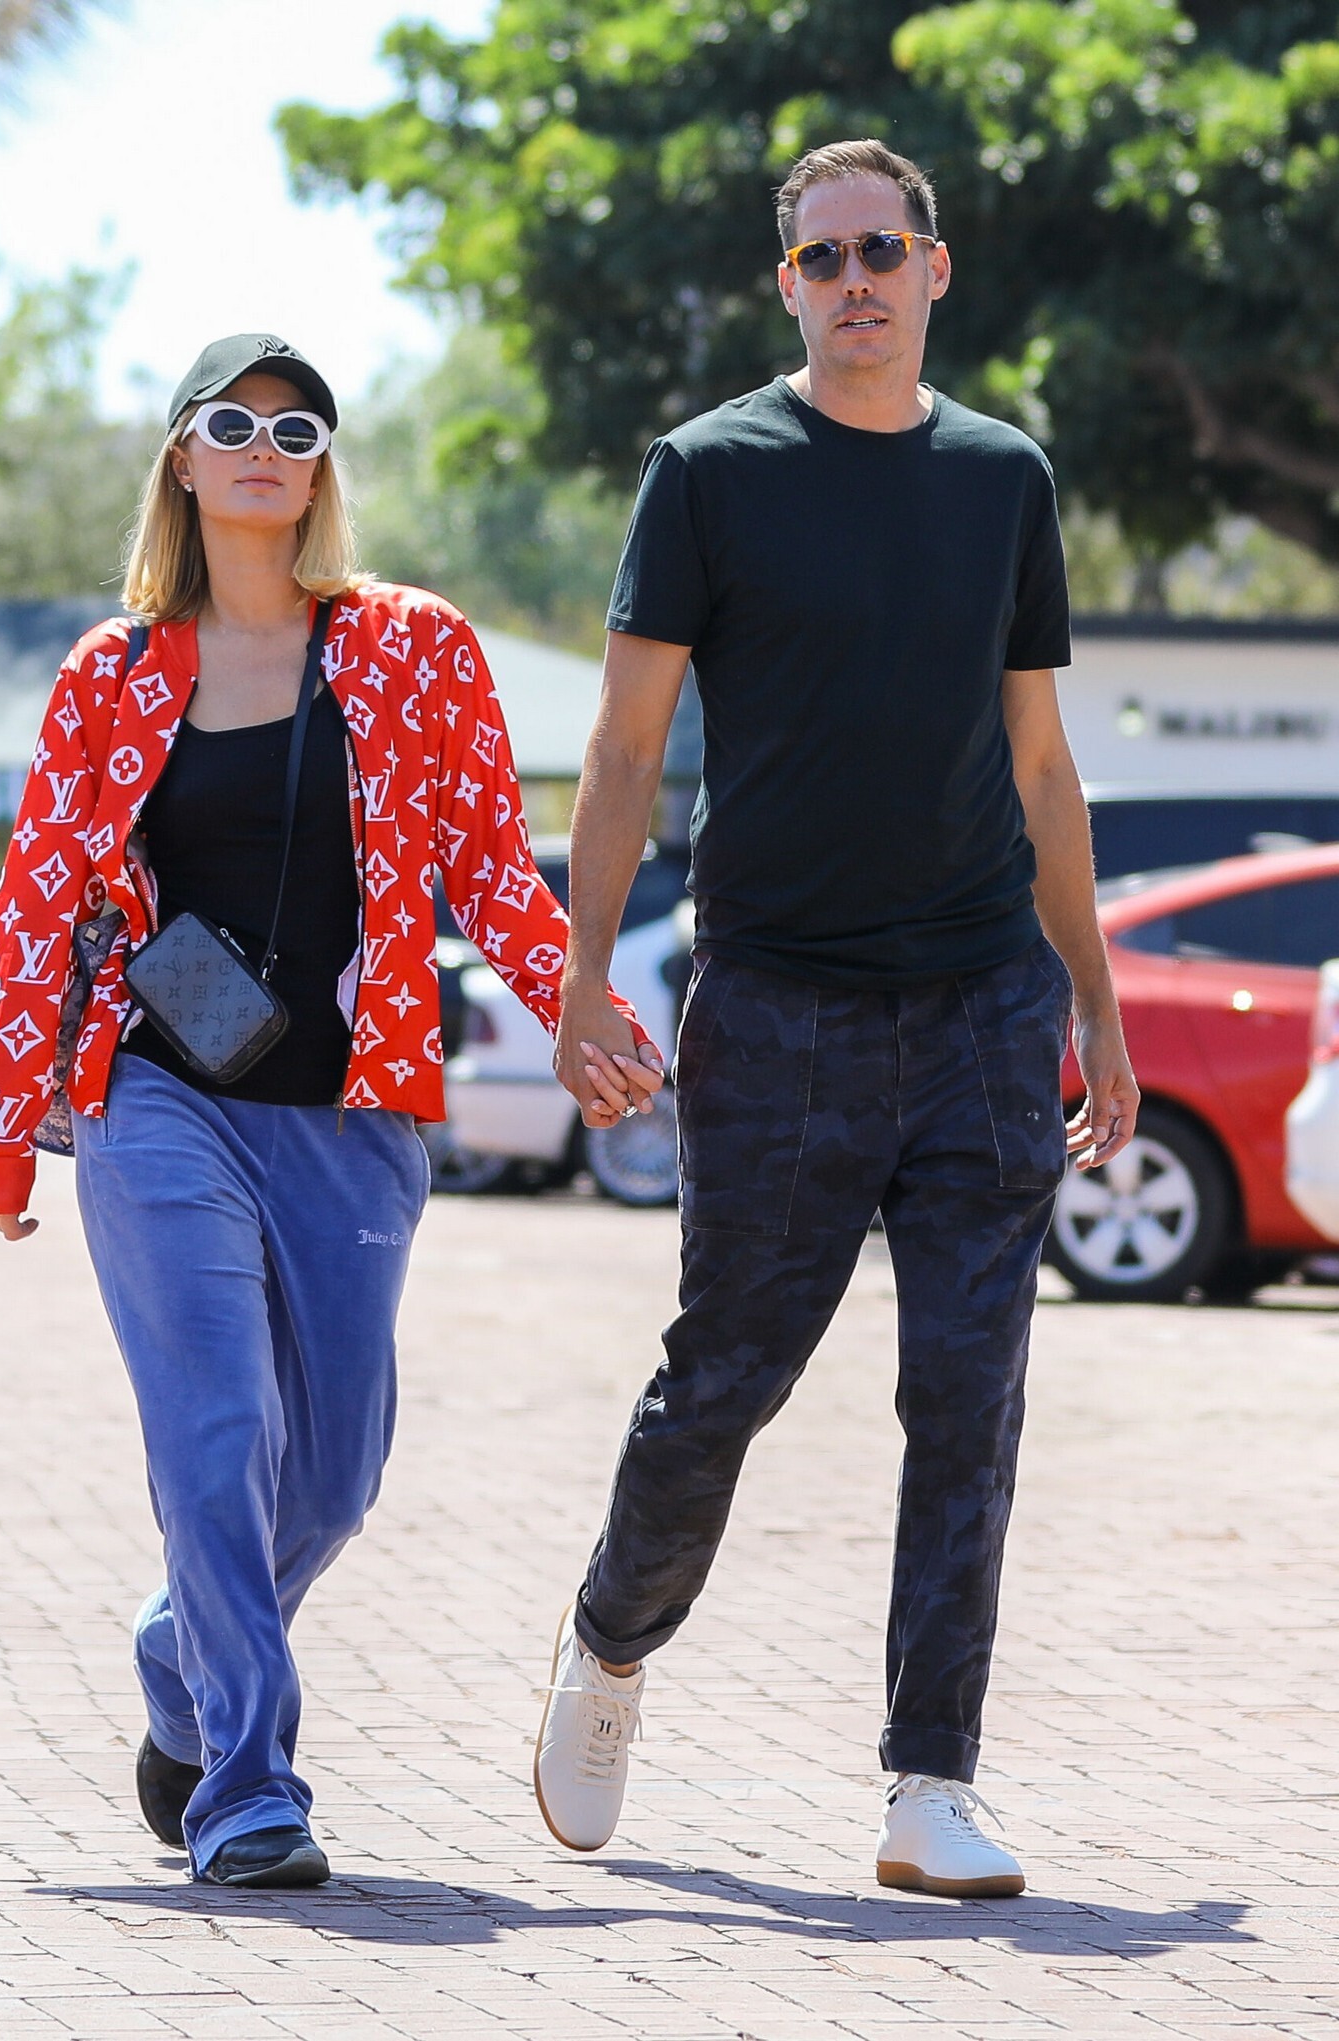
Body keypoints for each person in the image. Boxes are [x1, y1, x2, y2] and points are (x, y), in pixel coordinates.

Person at [0, 332, 656, 1888]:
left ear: (323, 466)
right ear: (181, 458)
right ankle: (247, 1785)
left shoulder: (414, 647)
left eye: (296, 430)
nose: (264, 450)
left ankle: (184, 1650)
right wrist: (0, 1129)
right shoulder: (111, 672)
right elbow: (40, 900)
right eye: (232, 424)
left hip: (352, 1110)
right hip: (155, 1091)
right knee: (219, 1430)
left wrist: (578, 1000)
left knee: (334, 1470)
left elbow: (489, 861)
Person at [534, 140, 1140, 1898]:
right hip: (779, 1003)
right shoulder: (708, 472)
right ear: (787, 283)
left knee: (969, 1396)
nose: (854, 280)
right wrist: (581, 972)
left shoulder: (1003, 477)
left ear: (935, 269)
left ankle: (929, 1780)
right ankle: (611, 1639)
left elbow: (1042, 761)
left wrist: (1095, 1002)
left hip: (983, 1005)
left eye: (882, 250)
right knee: (727, 1374)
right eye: (823, 258)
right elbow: (626, 748)